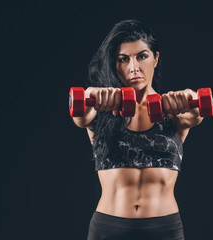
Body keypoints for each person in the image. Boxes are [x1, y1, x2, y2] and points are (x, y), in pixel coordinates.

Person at [72, 19, 203, 240]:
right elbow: (80, 115)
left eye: (142, 56)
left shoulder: (172, 111)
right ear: (115, 64)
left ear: (156, 58)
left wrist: (189, 97)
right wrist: (90, 95)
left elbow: (196, 111)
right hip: (108, 227)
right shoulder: (101, 109)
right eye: (123, 60)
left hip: (164, 229)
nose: (134, 68)